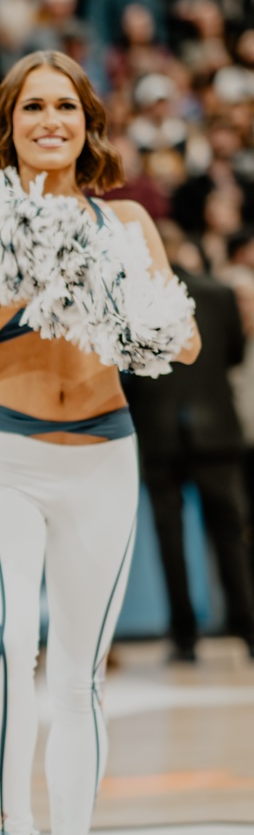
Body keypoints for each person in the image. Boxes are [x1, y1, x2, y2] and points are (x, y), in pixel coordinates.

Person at [0, 50, 200, 835]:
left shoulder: (127, 221)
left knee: (80, 676)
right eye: (34, 106)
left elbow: (185, 340)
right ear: (11, 122)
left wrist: (126, 309)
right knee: (10, 650)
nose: (52, 120)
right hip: (4, 457)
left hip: (104, 460)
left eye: (68, 107)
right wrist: (15, 295)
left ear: (89, 124)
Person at [128, 222, 254, 661]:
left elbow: (127, 372)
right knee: (230, 534)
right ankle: (247, 629)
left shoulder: (131, 299)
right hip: (217, 429)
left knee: (171, 539)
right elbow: (235, 355)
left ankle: (184, 638)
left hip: (159, 433)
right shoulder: (219, 293)